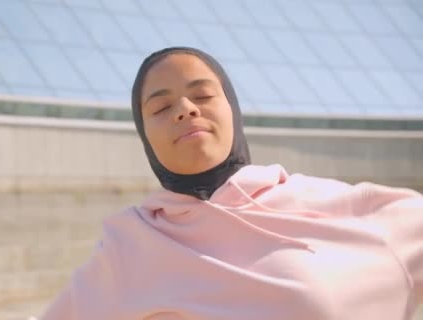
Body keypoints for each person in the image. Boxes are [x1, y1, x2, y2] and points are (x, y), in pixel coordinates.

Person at [39, 47, 423, 319]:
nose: (186, 110)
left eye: (202, 95)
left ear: (233, 110)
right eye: (161, 107)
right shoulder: (128, 245)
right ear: (145, 136)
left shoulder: (348, 208)